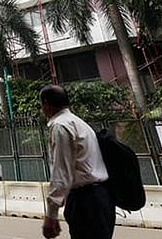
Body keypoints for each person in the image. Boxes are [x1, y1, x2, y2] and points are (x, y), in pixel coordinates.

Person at [40, 84, 115, 239]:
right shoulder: (78, 123)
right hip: (101, 197)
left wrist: (51, 215)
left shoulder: (60, 126)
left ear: (46, 104)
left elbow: (61, 172)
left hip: (85, 201)